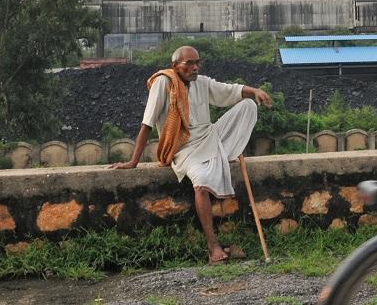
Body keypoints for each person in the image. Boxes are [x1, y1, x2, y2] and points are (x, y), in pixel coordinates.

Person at [110, 45, 273, 265]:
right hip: (184, 149)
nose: (195, 67)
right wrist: (133, 161)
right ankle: (213, 246)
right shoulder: (163, 83)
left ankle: (223, 153)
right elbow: (146, 124)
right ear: (175, 65)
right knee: (201, 184)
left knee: (248, 106)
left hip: (210, 136)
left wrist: (254, 91)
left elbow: (230, 90)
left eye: (197, 63)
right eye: (189, 63)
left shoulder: (201, 82)